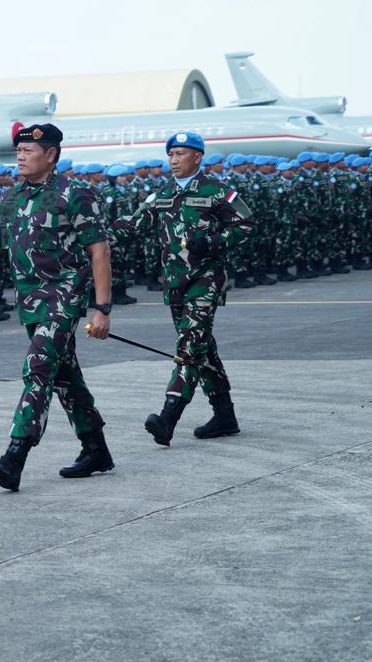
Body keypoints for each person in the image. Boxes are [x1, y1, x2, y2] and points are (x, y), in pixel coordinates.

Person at [0, 123, 115, 492]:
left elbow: (99, 250)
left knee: (37, 368)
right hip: (31, 300)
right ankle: (96, 448)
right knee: (65, 376)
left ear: (50, 154)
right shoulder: (14, 196)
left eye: (28, 151)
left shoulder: (75, 194)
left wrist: (102, 308)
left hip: (63, 297)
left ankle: (14, 457)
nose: (20, 157)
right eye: (17, 151)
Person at [112, 132, 252, 446]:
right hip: (175, 282)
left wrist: (213, 242)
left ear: (198, 157)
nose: (174, 160)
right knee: (203, 347)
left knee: (189, 346)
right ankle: (224, 415)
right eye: (171, 154)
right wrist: (94, 237)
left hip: (206, 279)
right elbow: (133, 225)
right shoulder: (161, 194)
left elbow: (246, 223)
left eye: (181, 154)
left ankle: (168, 416)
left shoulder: (218, 192)